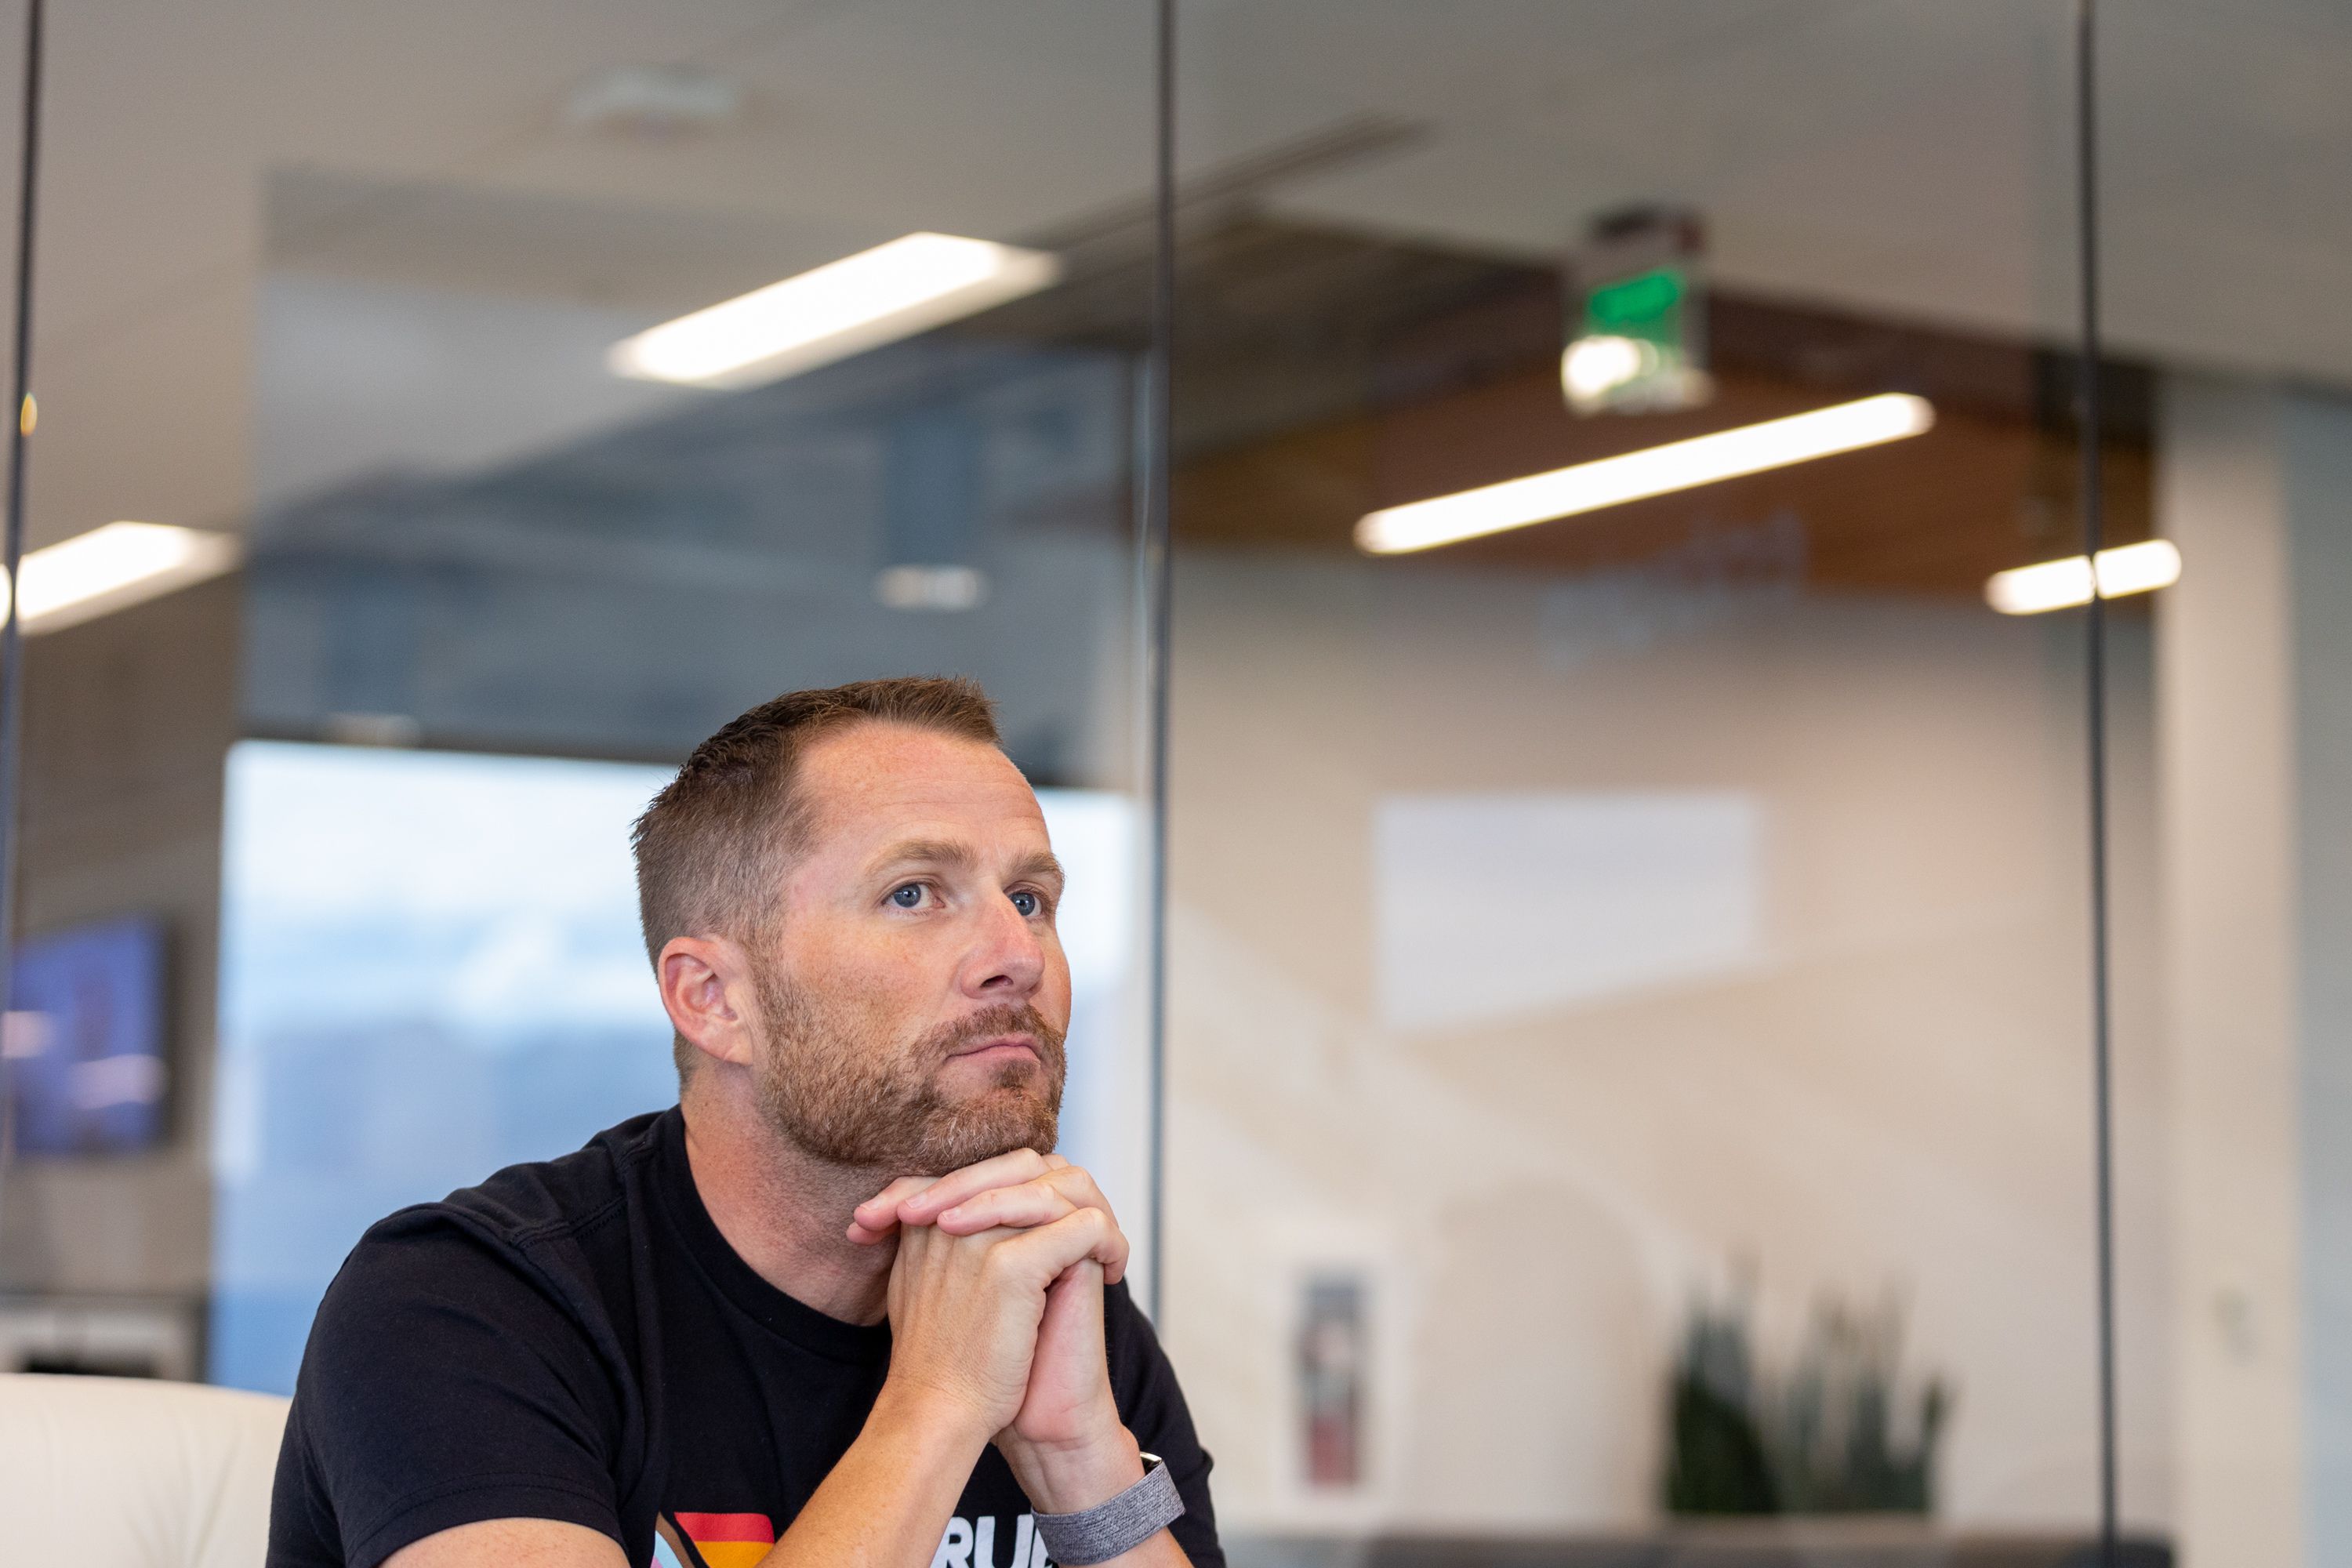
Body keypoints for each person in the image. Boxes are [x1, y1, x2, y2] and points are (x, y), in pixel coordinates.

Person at [267, 677, 1220, 1568]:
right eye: (914, 892)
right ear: (714, 998)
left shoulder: (1046, 1293)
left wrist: (1083, 1464)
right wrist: (937, 1404)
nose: (1016, 953)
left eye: (1030, 899)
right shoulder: (465, 1302)